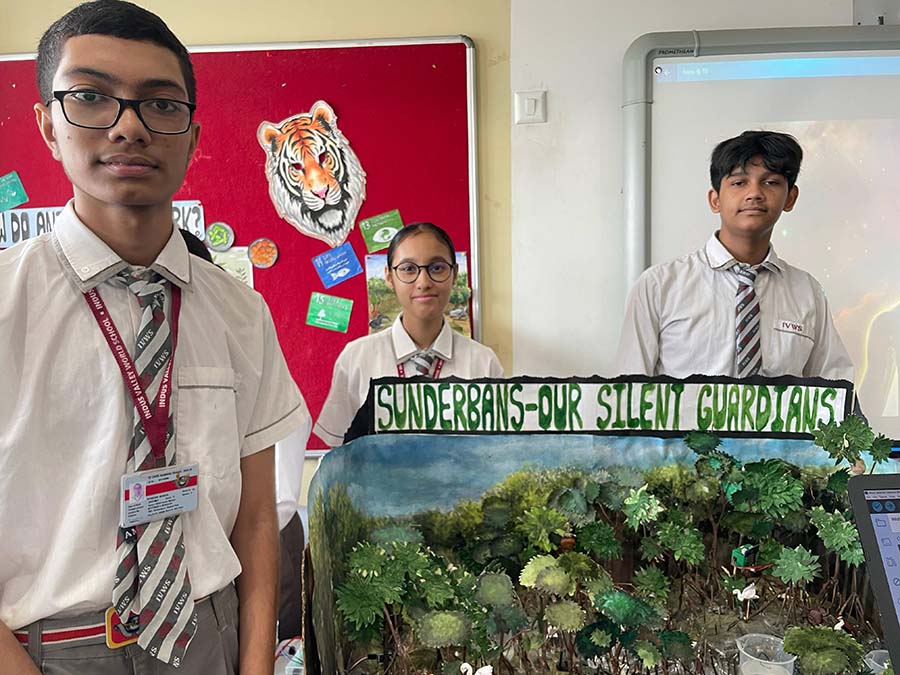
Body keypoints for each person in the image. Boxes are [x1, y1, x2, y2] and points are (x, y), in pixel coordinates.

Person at [0, 2, 309, 674]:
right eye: (91, 96)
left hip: (210, 636)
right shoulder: (6, 302)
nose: (129, 125)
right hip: (50, 651)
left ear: (192, 139)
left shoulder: (240, 312)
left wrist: (254, 665)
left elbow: (258, 519)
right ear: (47, 125)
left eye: (160, 104)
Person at [615, 130, 853, 382]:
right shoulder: (659, 286)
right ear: (715, 199)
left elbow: (835, 386)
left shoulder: (807, 293)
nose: (754, 193)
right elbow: (627, 391)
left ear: (790, 198)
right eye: (739, 183)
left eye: (770, 182)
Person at [314, 222, 504, 446]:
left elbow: (496, 450)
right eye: (408, 269)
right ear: (388, 276)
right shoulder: (357, 358)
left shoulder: (483, 363)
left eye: (437, 268)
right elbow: (338, 449)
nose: (423, 282)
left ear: (454, 274)